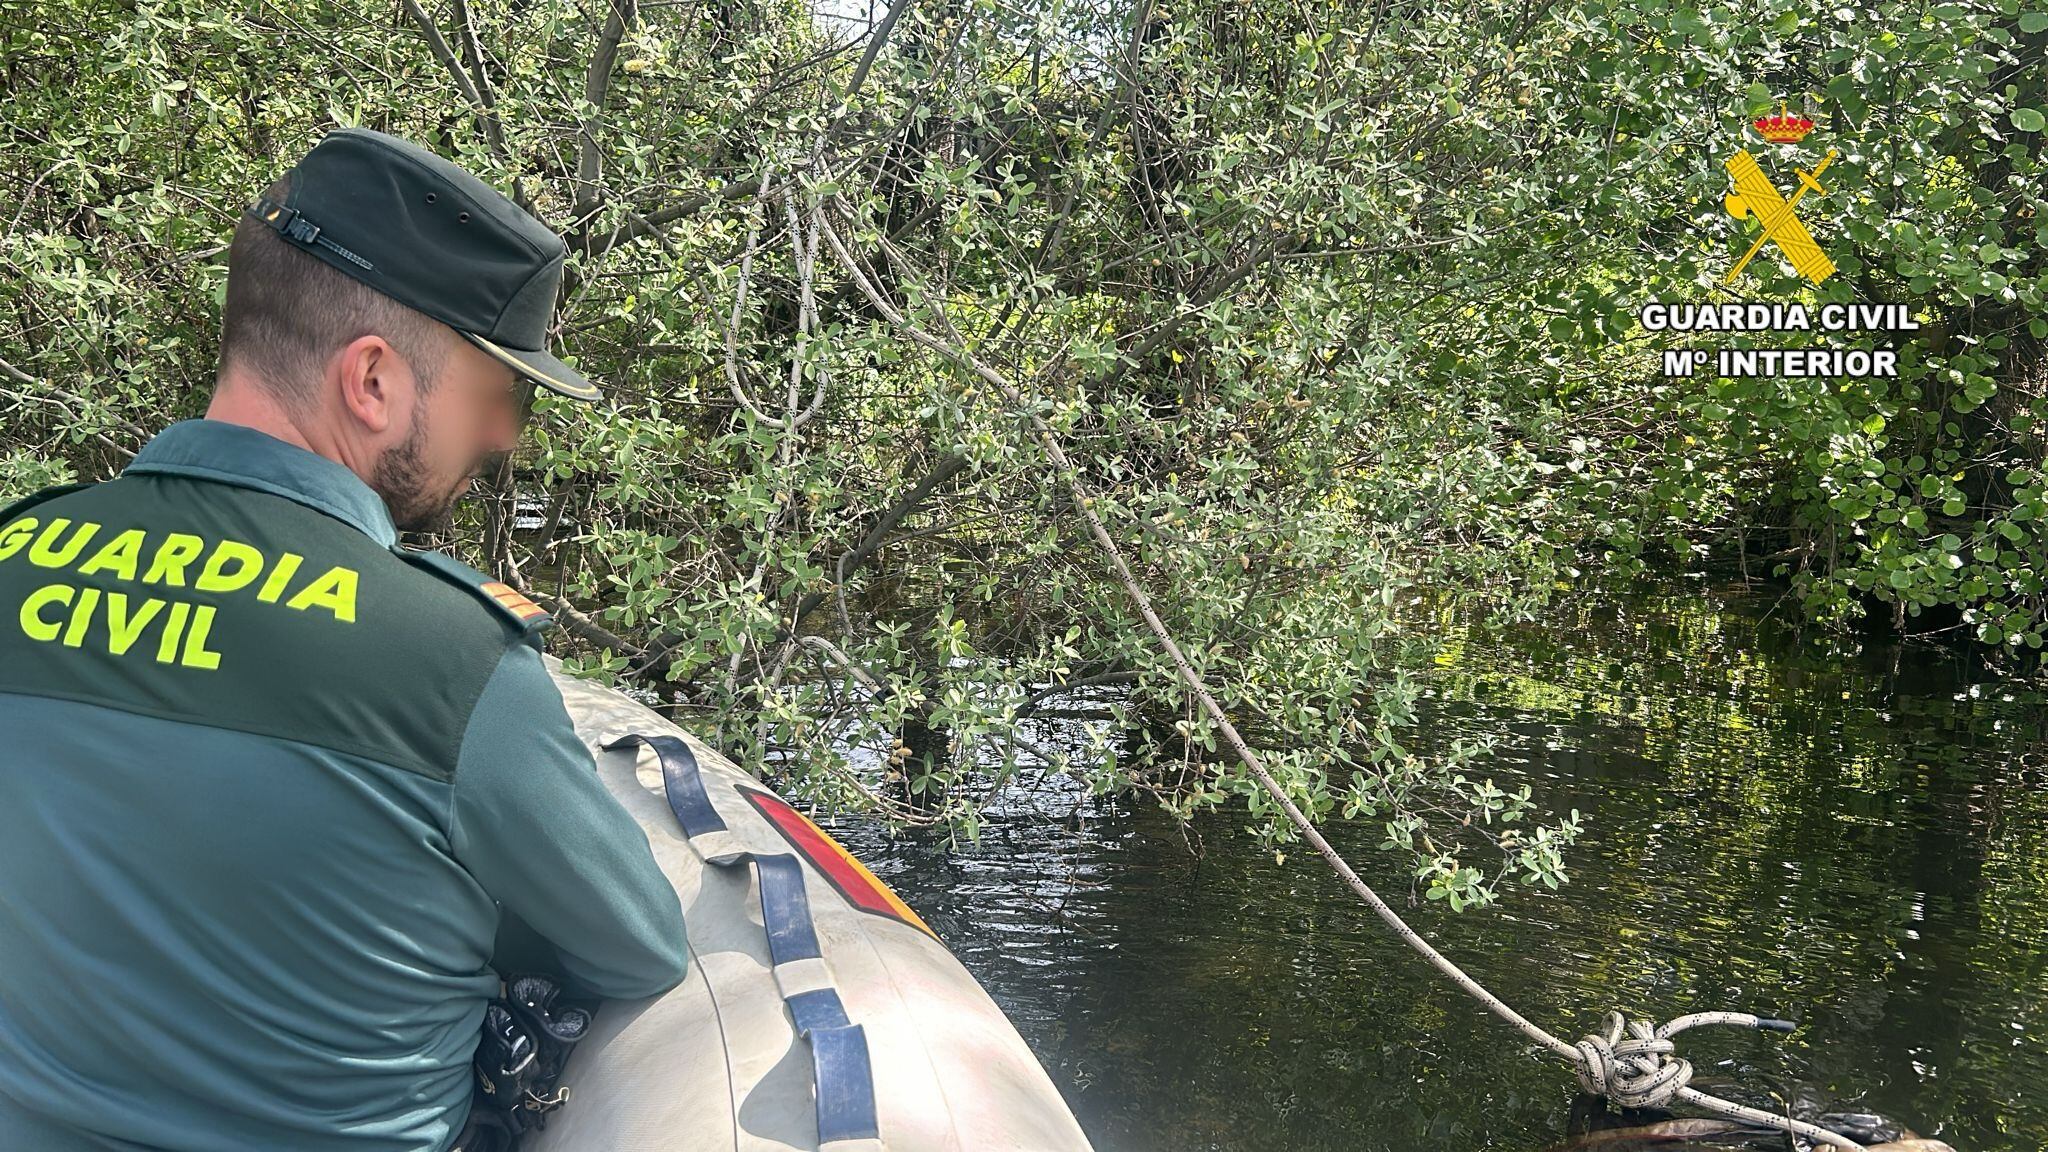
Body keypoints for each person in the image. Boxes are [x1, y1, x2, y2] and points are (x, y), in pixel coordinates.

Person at [0, 127, 689, 1152]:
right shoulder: (451, 662)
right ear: (372, 382)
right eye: (493, 394)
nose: (503, 436)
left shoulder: (17, 556)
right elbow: (638, 947)